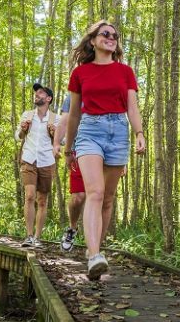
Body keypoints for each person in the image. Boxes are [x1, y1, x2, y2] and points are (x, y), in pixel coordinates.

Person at [65, 21, 145, 280]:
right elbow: (74, 113)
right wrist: (69, 147)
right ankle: (94, 254)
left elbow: (132, 107)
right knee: (95, 193)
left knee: (108, 199)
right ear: (93, 41)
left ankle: (95, 255)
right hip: (90, 131)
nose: (111, 38)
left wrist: (139, 134)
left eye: (115, 35)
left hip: (119, 131)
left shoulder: (125, 72)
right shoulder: (80, 73)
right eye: (105, 34)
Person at [53, 93, 127, 252]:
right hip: (81, 151)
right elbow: (64, 122)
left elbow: (119, 126)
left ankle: (95, 250)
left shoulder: (113, 92)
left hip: (108, 154)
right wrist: (57, 144)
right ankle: (72, 228)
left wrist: (122, 160)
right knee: (78, 197)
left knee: (104, 198)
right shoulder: (74, 95)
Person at [15, 83, 58, 247]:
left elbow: (62, 141)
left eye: (41, 93)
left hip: (47, 162)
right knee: (30, 196)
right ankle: (29, 236)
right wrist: (22, 129)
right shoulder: (27, 114)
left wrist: (54, 132)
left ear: (48, 99)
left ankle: (38, 239)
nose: (37, 95)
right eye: (36, 93)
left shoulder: (56, 118)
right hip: (29, 159)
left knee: (42, 200)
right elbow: (18, 136)